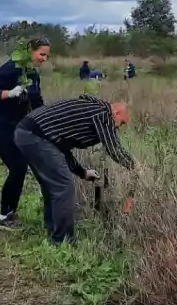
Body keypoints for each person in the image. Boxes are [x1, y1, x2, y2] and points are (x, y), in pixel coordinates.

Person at [14, 93, 135, 244]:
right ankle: (63, 241)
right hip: (35, 136)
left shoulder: (93, 109)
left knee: (52, 186)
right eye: (121, 123)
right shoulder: (103, 114)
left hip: (27, 133)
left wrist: (82, 172)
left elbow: (60, 147)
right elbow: (113, 148)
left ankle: (54, 232)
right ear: (116, 112)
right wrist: (133, 166)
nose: (118, 128)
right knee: (64, 187)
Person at [0, 37, 50, 231]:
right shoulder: (11, 68)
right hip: (0, 126)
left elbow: (37, 102)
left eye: (47, 56)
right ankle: (4, 217)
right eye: (41, 54)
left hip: (18, 127)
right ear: (30, 51)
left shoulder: (33, 74)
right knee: (18, 167)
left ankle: (8, 213)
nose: (44, 58)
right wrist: (10, 93)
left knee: (20, 167)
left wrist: (48, 120)